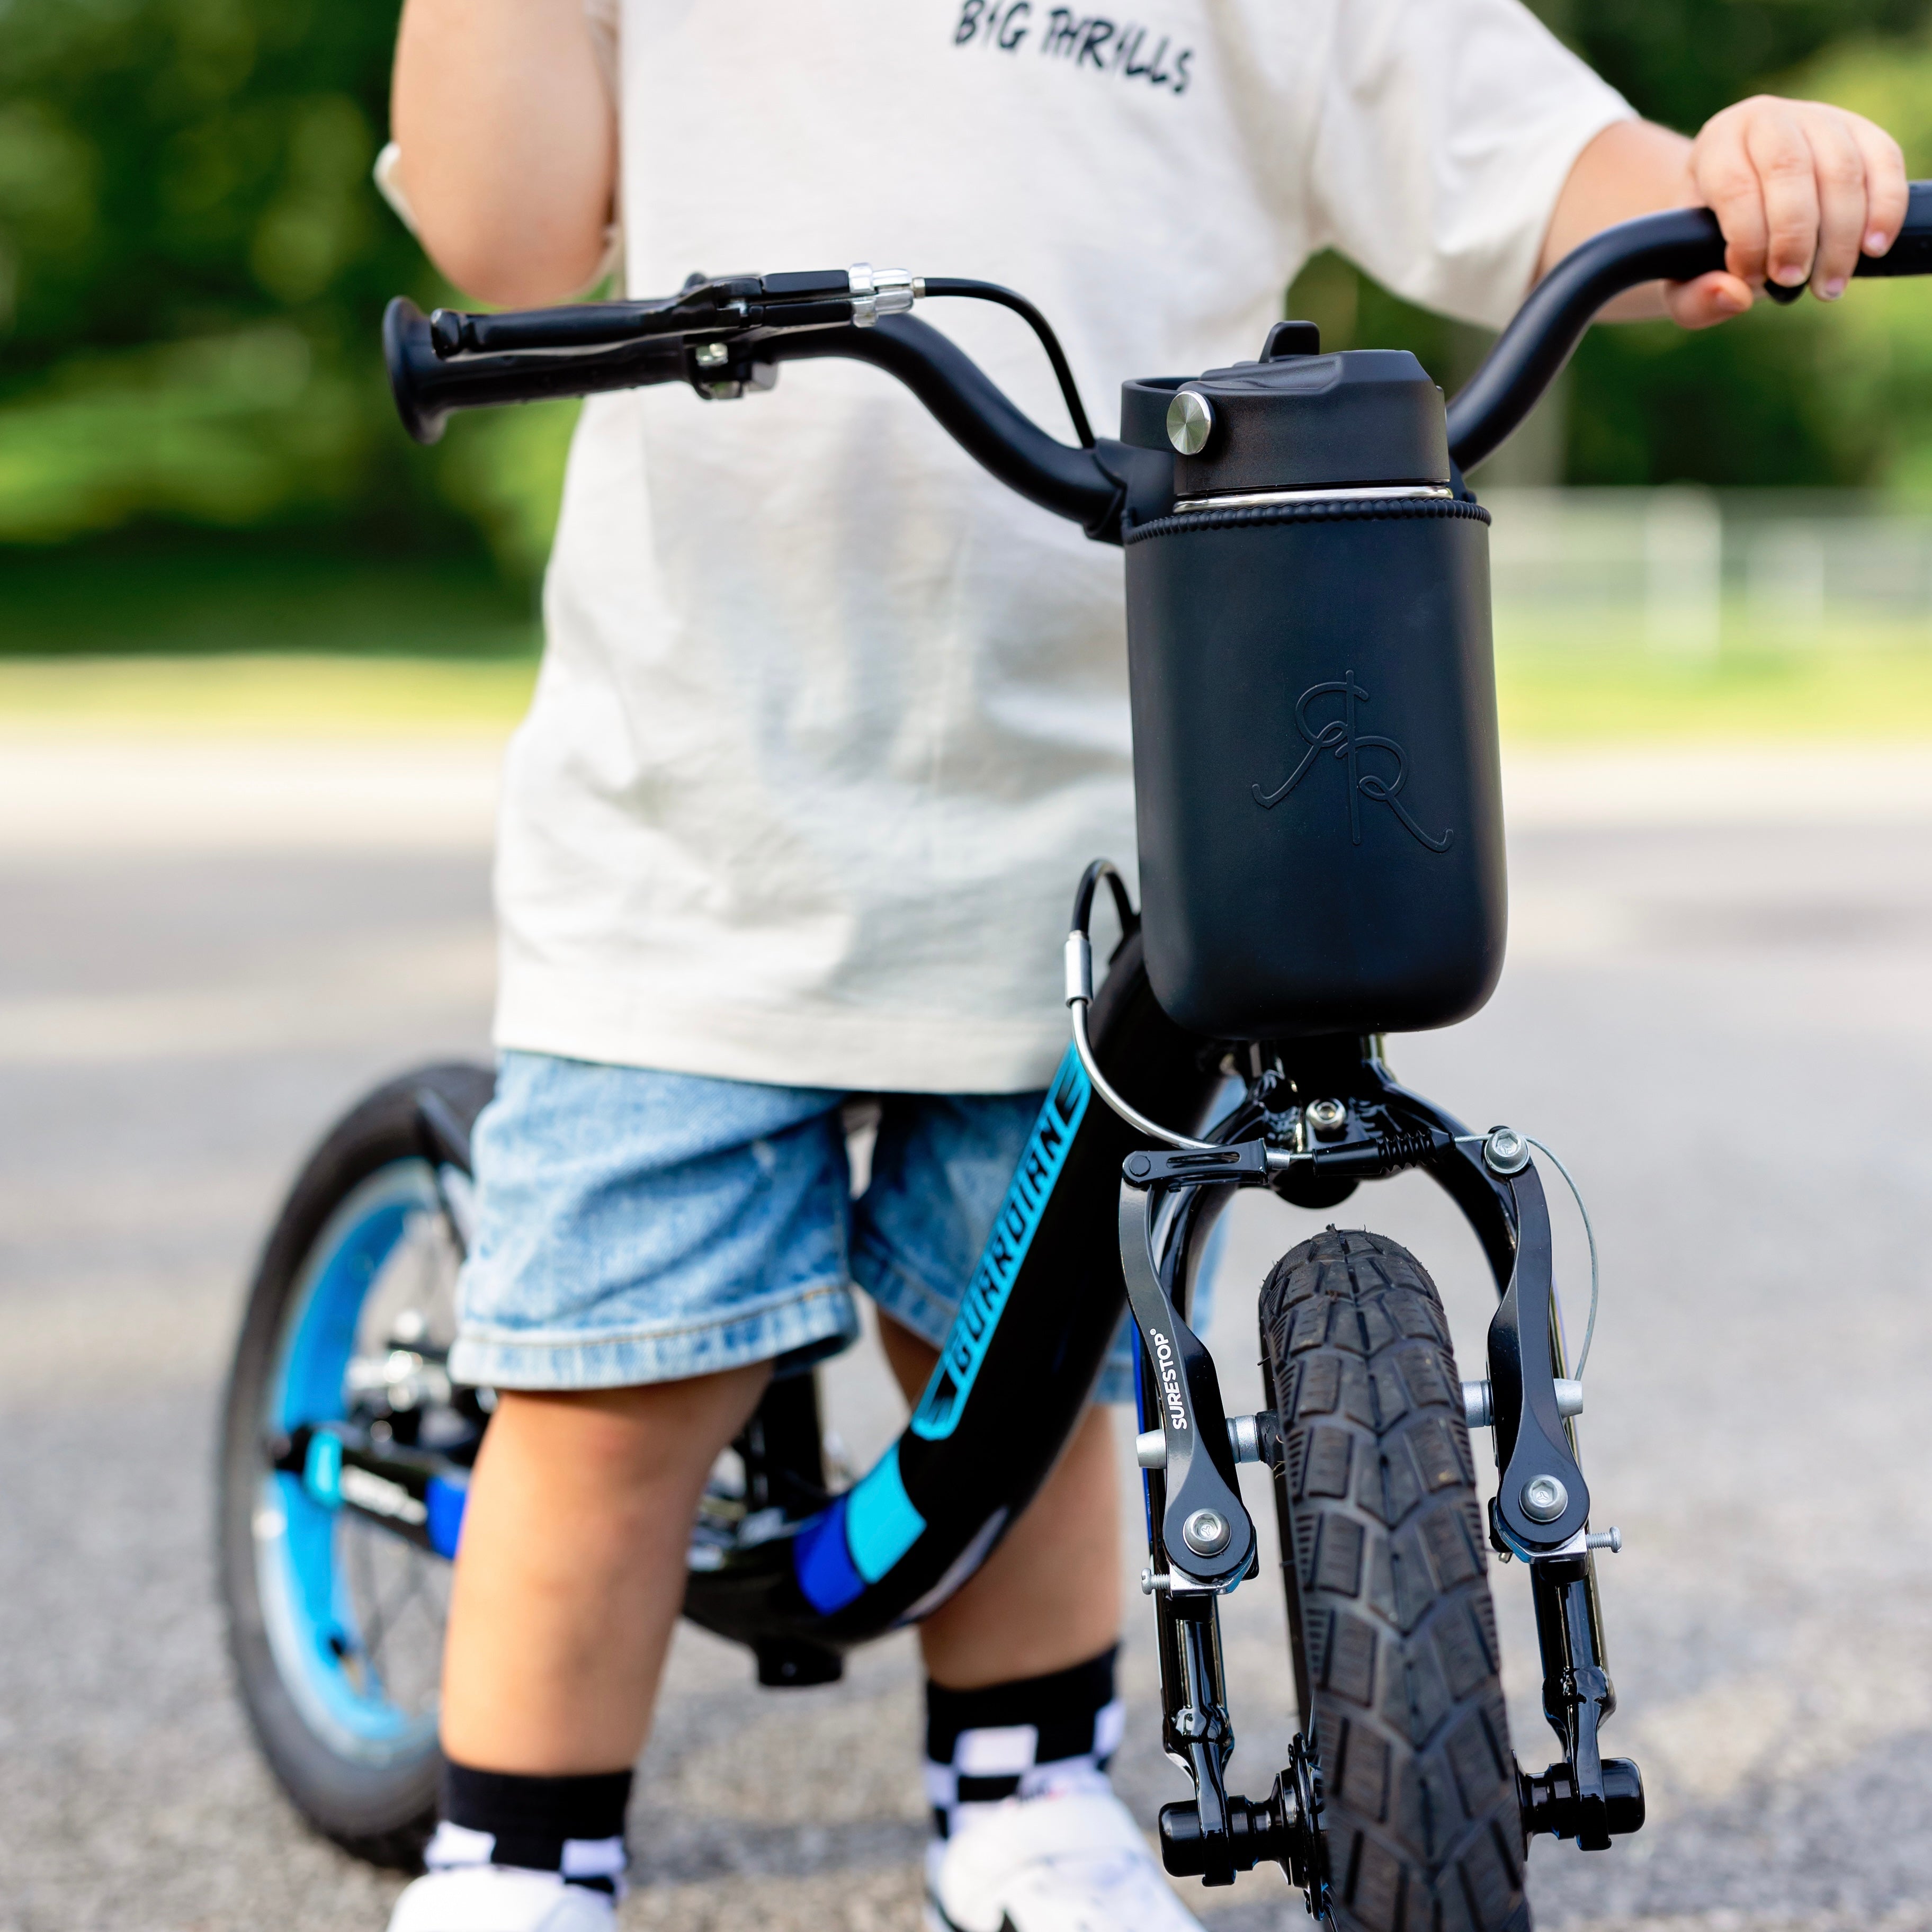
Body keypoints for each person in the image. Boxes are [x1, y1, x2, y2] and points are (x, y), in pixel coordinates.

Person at [373, 2, 1906, 1925]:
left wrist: (1739, 179)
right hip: (708, 813)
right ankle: (519, 1848)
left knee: (1023, 1372)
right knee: (616, 1398)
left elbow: (1557, 181)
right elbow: (504, 244)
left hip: (1099, 810)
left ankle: (1023, 1792)